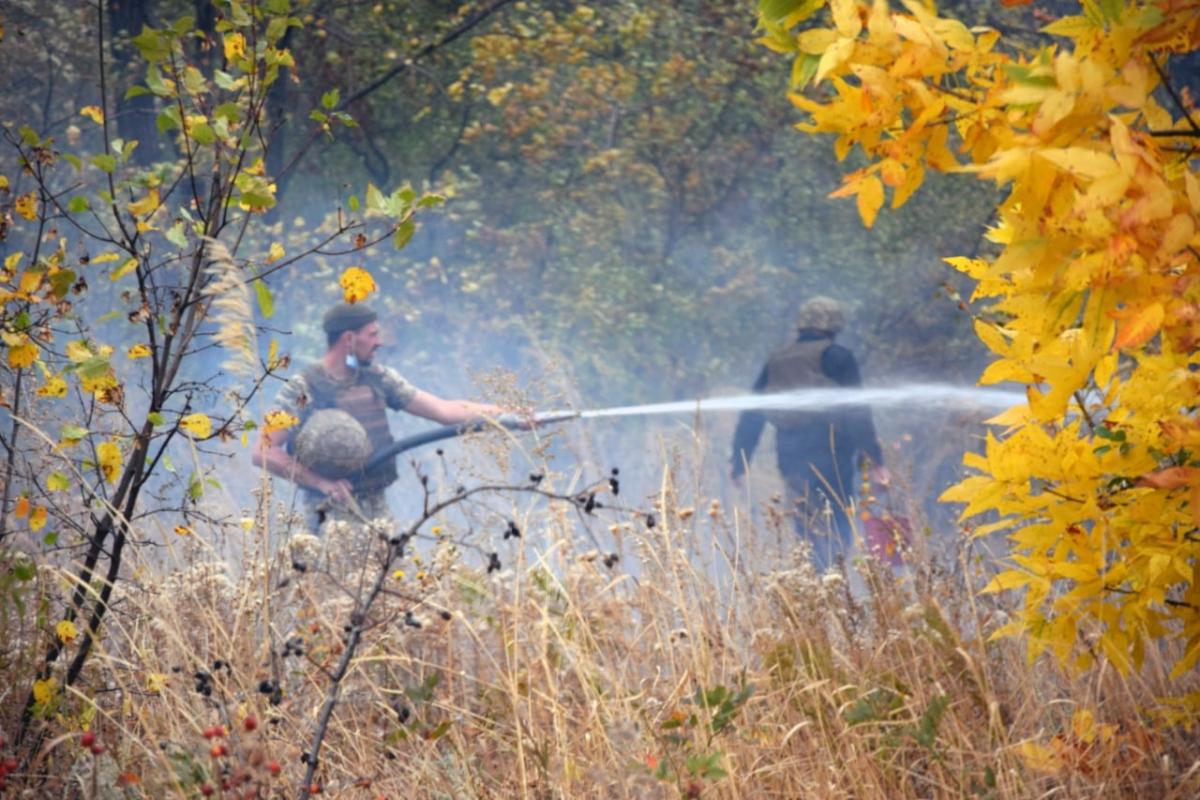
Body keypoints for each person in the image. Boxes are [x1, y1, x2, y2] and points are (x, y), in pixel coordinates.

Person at [253, 301, 508, 528]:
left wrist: (510, 415)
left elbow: (445, 410)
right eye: (372, 334)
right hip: (327, 512)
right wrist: (322, 483)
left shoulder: (378, 379)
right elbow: (263, 451)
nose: (379, 341)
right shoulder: (303, 388)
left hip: (378, 510)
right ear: (349, 338)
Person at [729, 296, 889, 569]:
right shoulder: (838, 356)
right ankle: (834, 577)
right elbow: (857, 411)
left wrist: (739, 461)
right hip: (832, 455)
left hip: (790, 456)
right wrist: (875, 459)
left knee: (805, 523)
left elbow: (752, 413)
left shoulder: (777, 360)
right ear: (834, 324)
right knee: (837, 519)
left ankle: (815, 575)